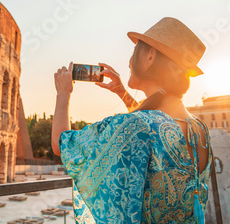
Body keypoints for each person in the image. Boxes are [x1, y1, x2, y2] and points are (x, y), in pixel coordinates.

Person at [51, 17, 212, 224]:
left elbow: (61, 143)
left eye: (135, 52)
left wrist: (63, 94)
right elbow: (153, 127)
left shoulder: (135, 127)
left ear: (150, 56)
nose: (129, 61)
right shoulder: (199, 129)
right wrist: (122, 93)